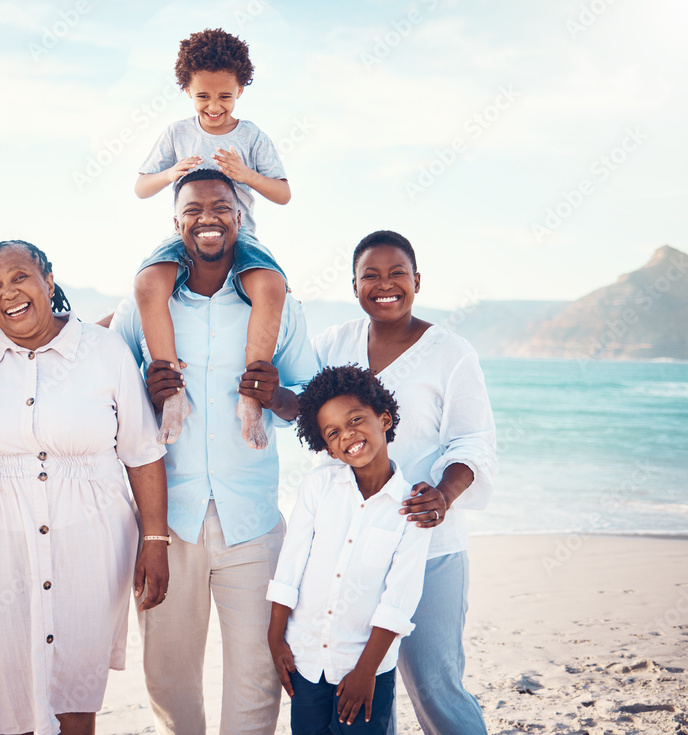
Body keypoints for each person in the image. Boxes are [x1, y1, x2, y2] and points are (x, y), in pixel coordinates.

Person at [112, 167, 318, 735]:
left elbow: (317, 400)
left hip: (252, 521)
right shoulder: (143, 308)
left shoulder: (279, 308)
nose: (209, 218)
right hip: (166, 523)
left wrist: (278, 398)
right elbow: (107, 393)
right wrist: (145, 393)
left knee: (257, 675)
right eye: (194, 209)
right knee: (168, 675)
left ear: (240, 217)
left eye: (222, 207)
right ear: (175, 222)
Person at [0, 240, 170, 735]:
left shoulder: (103, 350)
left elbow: (142, 450)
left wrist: (155, 540)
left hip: (91, 541)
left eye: (20, 277)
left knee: (74, 684)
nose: (9, 292)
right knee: (1, 681)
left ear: (48, 281)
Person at [312, 230, 498, 735]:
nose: (385, 285)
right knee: (369, 687)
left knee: (435, 686)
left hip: (428, 541)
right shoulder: (334, 343)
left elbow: (474, 441)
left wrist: (445, 495)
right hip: (355, 548)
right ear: (354, 286)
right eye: (370, 275)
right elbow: (307, 412)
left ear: (417, 281)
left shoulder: (451, 352)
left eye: (397, 273)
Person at [133, 27, 291, 450]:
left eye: (226, 96)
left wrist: (246, 176)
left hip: (240, 238)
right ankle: (174, 394)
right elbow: (141, 186)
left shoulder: (252, 136)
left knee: (271, 284)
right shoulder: (176, 134)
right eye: (204, 97)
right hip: (184, 237)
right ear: (187, 89)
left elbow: (283, 193)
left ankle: (250, 396)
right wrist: (172, 173)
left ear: (241, 89)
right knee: (148, 282)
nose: (215, 106)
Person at [268, 365, 430, 734]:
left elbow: (398, 600)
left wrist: (365, 672)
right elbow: (290, 565)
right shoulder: (317, 487)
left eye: (356, 419)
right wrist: (275, 637)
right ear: (328, 448)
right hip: (306, 660)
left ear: (384, 419)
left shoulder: (412, 508)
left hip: (365, 668)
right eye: (334, 432)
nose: (348, 435)